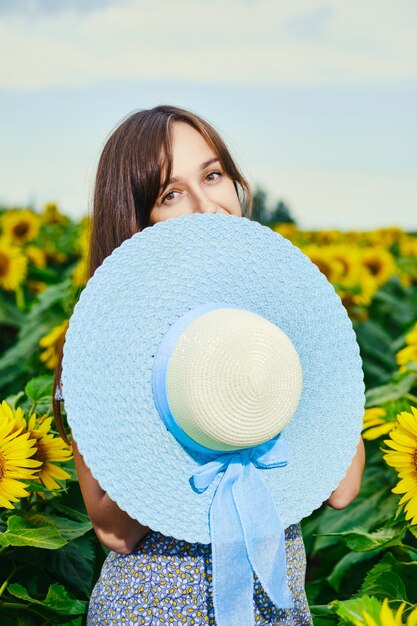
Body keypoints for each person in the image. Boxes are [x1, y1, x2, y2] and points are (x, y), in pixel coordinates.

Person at [52, 104, 366, 625]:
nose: (206, 205)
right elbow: (114, 531)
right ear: (136, 216)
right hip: (156, 610)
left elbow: (342, 487)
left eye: (213, 175)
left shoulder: (274, 321)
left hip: (274, 608)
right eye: (170, 194)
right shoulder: (107, 340)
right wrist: (190, 409)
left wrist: (291, 359)